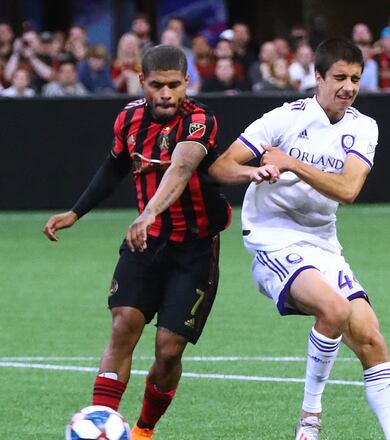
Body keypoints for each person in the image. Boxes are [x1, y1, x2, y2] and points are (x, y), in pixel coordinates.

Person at [42, 45, 277, 440]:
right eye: (157, 85)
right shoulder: (129, 118)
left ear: (187, 82)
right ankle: (101, 424)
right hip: (145, 244)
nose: (166, 93)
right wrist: (75, 213)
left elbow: (183, 167)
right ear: (142, 82)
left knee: (169, 351)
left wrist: (149, 212)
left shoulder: (199, 120)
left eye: (174, 84)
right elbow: (114, 166)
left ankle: (142, 431)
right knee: (123, 325)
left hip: (195, 248)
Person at [208, 37, 390, 440]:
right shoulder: (283, 118)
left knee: (370, 337)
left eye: (355, 78)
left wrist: (289, 162)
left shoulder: (363, 127)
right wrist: (253, 173)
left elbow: (349, 190)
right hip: (272, 237)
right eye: (339, 77)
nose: (348, 87)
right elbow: (221, 166)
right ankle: (310, 419)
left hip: (322, 242)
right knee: (333, 310)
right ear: (317, 77)